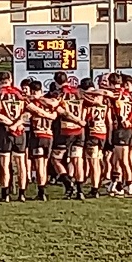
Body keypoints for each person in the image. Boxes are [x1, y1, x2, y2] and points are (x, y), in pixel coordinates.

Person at [0, 71, 29, 202]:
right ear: (11, 79)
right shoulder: (19, 93)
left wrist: (8, 123)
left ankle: (5, 194)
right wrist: (17, 123)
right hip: (19, 131)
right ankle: (22, 194)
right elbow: (27, 113)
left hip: (5, 131)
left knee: (5, 165)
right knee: (21, 165)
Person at [51, 72, 86, 200]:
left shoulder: (59, 93)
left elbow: (57, 108)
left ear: (56, 82)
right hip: (79, 132)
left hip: (66, 130)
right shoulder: (78, 92)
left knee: (56, 159)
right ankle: (80, 191)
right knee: (77, 161)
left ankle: (68, 183)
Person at [81, 78, 112, 199]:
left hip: (93, 133)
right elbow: (108, 119)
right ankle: (97, 184)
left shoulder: (87, 100)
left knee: (93, 163)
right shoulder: (104, 98)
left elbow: (84, 118)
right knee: (98, 160)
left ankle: (95, 189)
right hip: (103, 133)